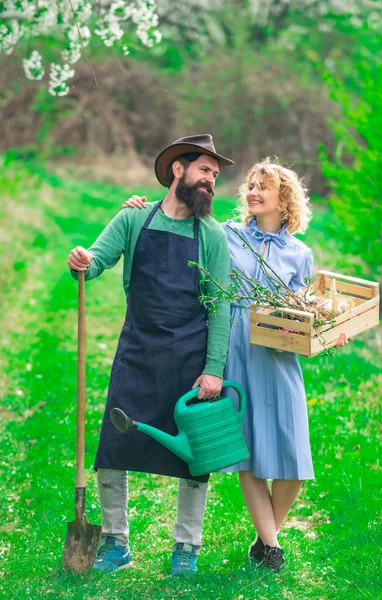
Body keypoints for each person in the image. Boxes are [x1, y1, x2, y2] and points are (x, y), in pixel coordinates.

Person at [123, 157, 349, 574]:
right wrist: (139, 207)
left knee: (294, 462)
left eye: (264, 187)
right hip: (235, 352)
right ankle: (272, 548)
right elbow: (177, 217)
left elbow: (306, 309)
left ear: (285, 199)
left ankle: (265, 539)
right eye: (251, 185)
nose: (253, 191)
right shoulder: (225, 235)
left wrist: (332, 328)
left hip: (278, 356)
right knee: (248, 454)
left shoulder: (300, 253)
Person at [67, 134, 233, 575]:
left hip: (190, 358)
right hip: (138, 351)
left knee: (194, 460)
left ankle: (186, 547)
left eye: (215, 176)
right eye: (204, 171)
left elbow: (220, 307)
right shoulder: (134, 219)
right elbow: (95, 260)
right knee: (113, 447)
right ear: (177, 169)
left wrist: (214, 369)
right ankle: (116, 541)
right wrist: (82, 259)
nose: (210, 182)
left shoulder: (213, 236)